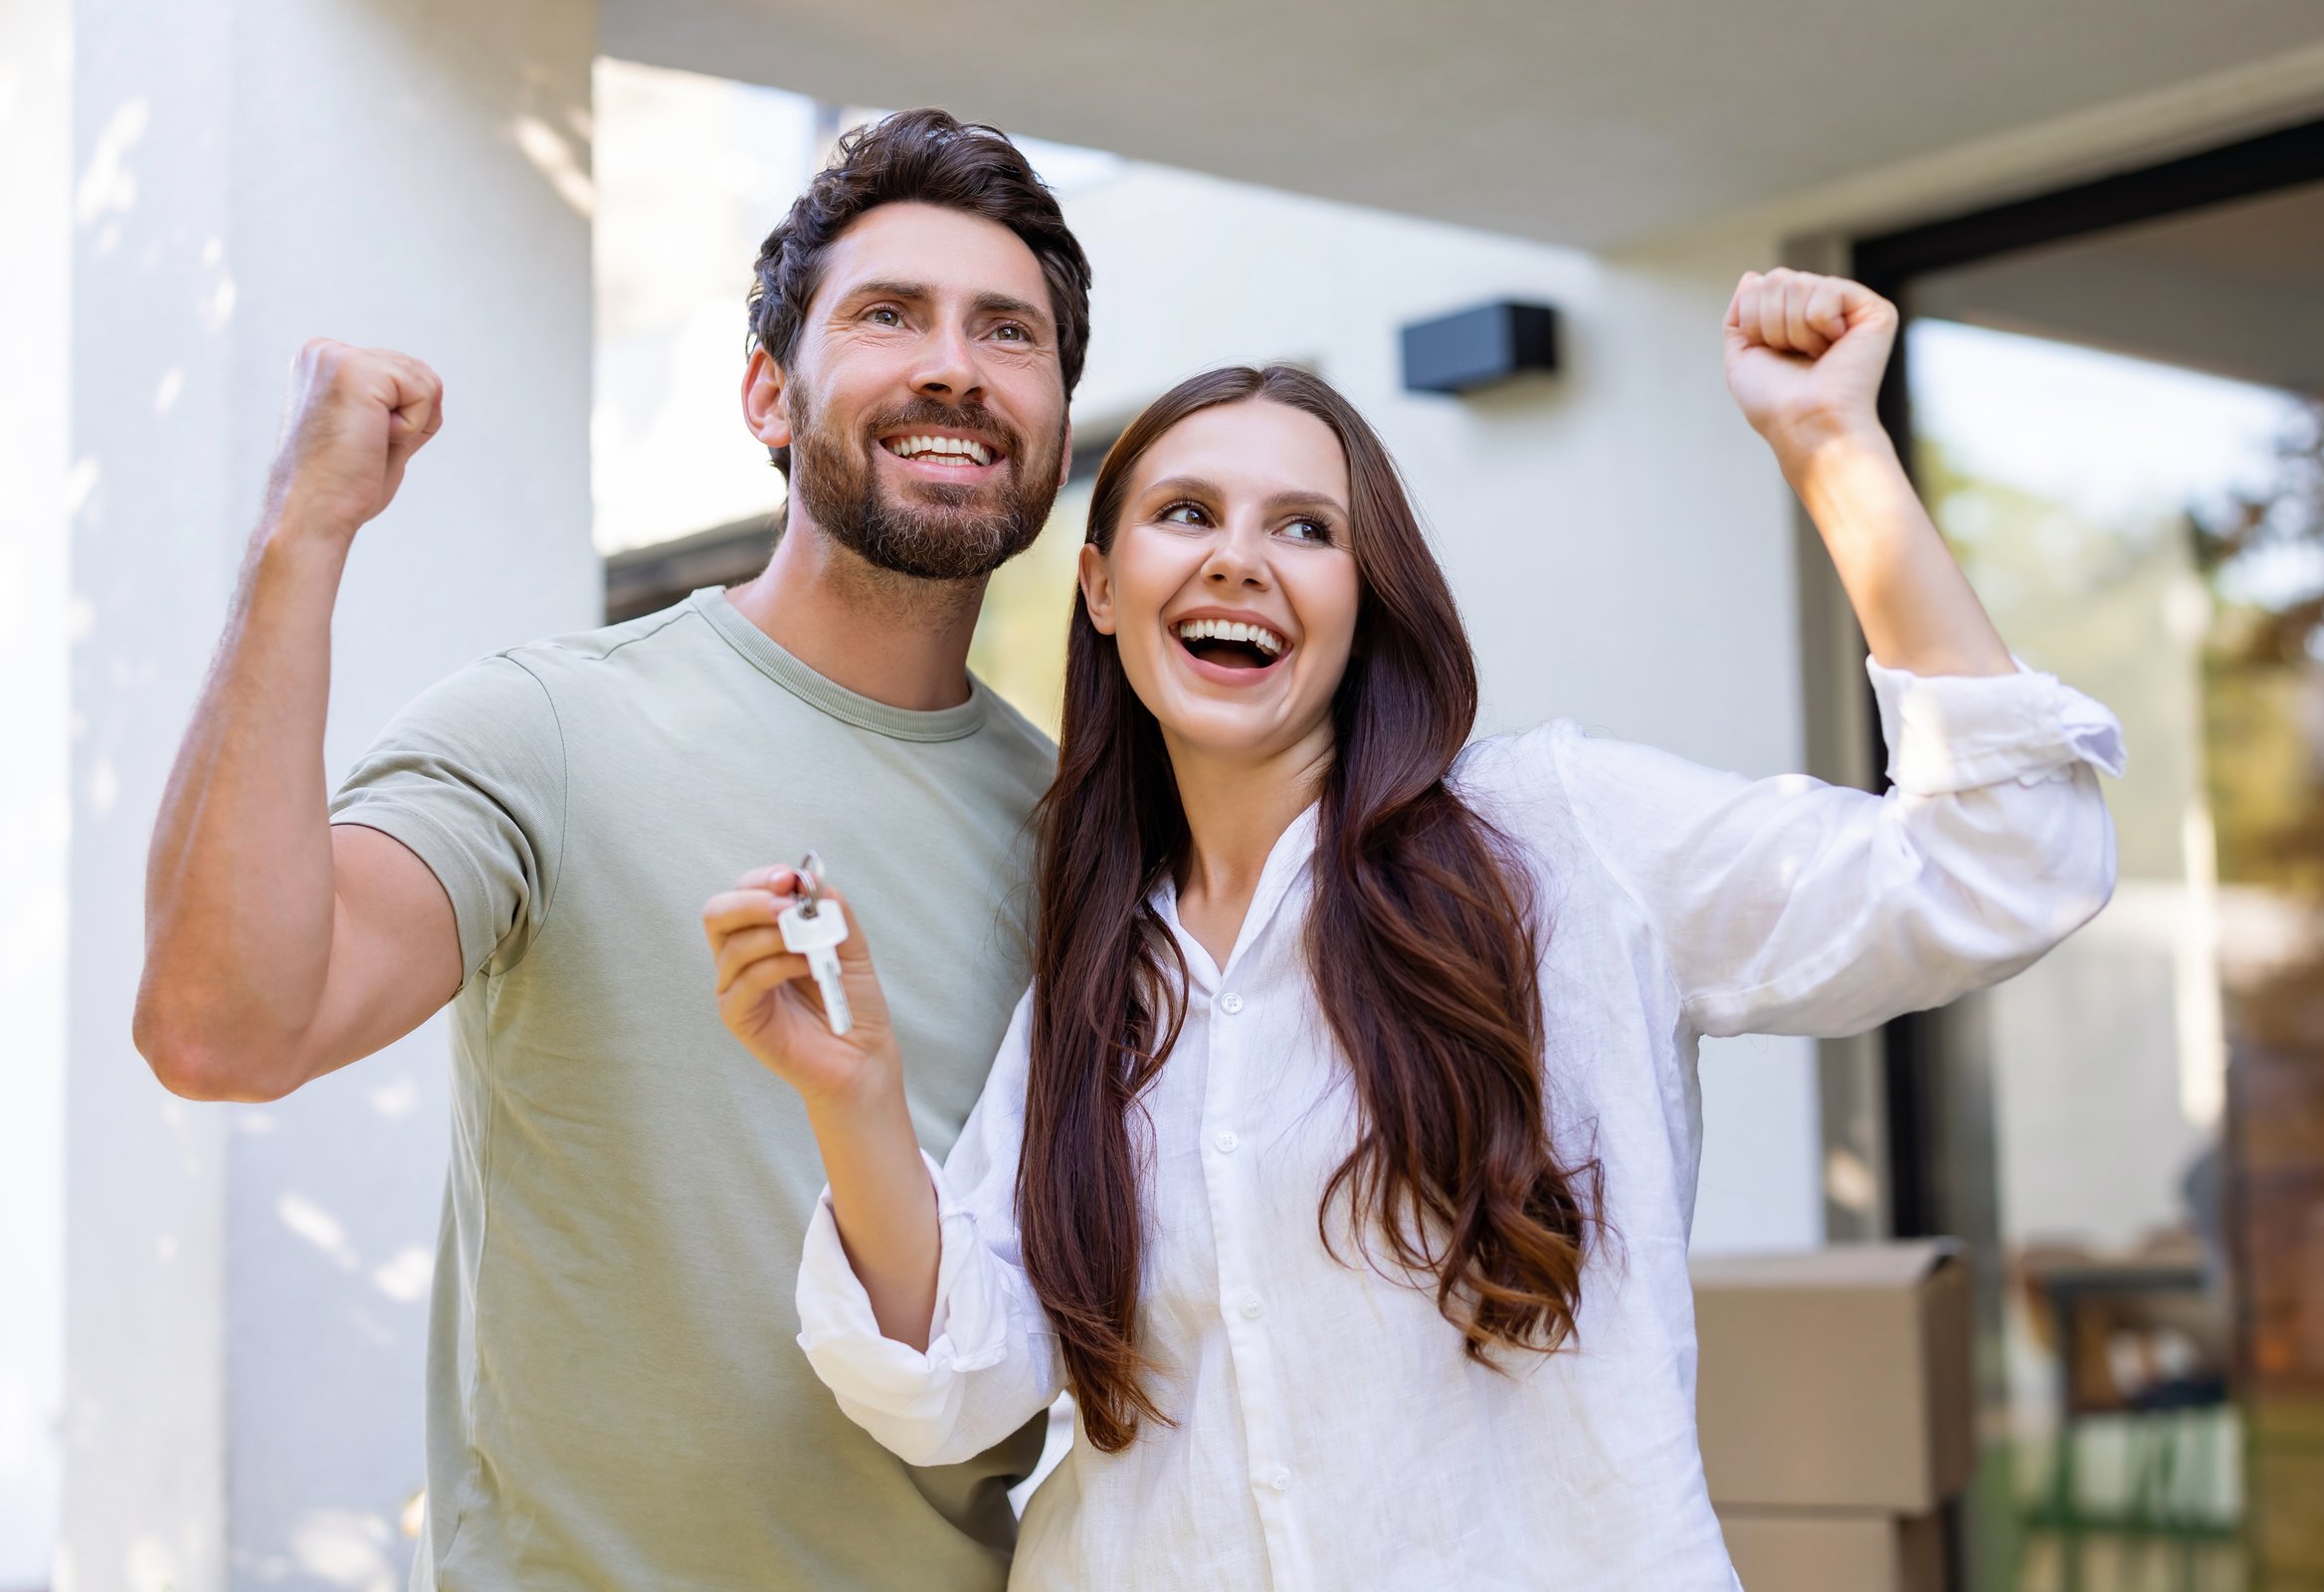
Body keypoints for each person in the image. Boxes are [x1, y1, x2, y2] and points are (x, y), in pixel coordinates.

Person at [705, 271, 2125, 1588]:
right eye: (1186, 515)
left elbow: (2001, 865)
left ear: (1361, 599)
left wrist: (1832, 448)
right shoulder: (1097, 982)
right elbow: (958, 1387)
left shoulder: (1553, 841)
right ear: (1099, 588)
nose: (1240, 562)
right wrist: (859, 1100)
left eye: (1305, 530)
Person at [134, 109, 1089, 1590]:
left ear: (1053, 422)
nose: (953, 363)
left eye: (1008, 332)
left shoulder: (1086, 848)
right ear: (771, 395)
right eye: (889, 315)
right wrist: (299, 537)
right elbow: (220, 1029)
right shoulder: (551, 733)